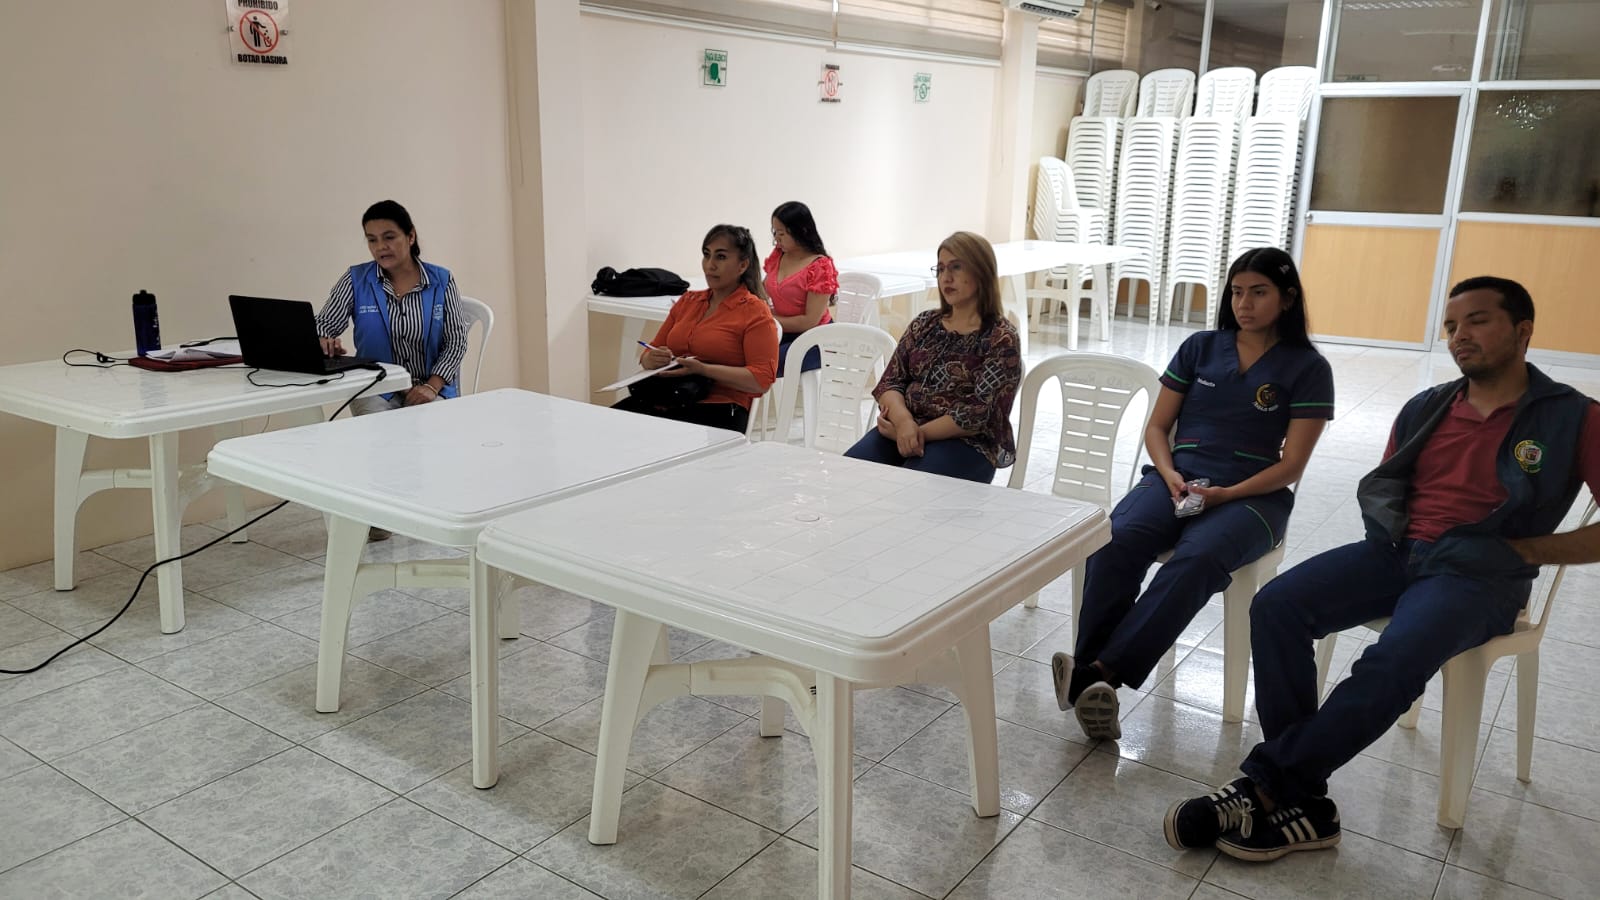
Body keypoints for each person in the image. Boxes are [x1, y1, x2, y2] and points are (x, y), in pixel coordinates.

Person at [1163, 276, 1600, 862]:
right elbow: (1392, 486)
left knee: (1393, 659)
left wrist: (1525, 553)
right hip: (1397, 553)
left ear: (1523, 331)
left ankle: (1266, 787)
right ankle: (1304, 801)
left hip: (1481, 575)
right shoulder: (1428, 406)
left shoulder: (1574, 417)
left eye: (1477, 321)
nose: (1459, 336)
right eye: (1451, 326)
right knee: (1276, 605)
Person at [1051, 247, 1334, 741]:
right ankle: (1096, 678)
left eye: (1259, 292)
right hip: (1177, 478)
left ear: (1288, 298)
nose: (1244, 303)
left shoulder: (1308, 368)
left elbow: (1291, 466)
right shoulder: (1201, 347)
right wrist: (1168, 473)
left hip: (1254, 498)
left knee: (1199, 559)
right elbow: (1157, 427)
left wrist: (1227, 494)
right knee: (1115, 539)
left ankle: (1098, 676)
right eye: (1237, 292)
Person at [843, 231, 1021, 484]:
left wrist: (914, 434)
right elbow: (891, 382)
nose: (946, 277)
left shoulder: (1000, 337)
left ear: (981, 271)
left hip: (966, 444)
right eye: (940, 269)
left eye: (956, 267)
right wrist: (904, 422)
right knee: (846, 475)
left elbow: (977, 413)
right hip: (903, 430)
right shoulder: (924, 323)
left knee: (906, 489)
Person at [612, 224, 779, 434]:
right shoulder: (688, 301)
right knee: (603, 426)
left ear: (742, 265)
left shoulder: (755, 312)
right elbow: (650, 351)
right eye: (706, 255)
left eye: (720, 257)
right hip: (669, 397)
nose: (710, 265)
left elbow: (761, 380)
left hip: (721, 408)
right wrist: (651, 358)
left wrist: (704, 370)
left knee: (645, 437)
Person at [316, 199, 468, 417]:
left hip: (431, 386)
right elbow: (324, 324)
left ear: (410, 236)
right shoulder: (356, 279)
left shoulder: (441, 280)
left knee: (432, 428)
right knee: (382, 432)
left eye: (389, 237)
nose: (380, 247)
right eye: (372, 240)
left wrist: (432, 386)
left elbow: (456, 341)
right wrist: (324, 340)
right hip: (376, 387)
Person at [764, 201, 839, 376]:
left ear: (801, 231)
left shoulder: (820, 266)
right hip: (784, 332)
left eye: (782, 234)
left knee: (765, 363)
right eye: (775, 233)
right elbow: (763, 288)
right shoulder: (780, 255)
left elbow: (809, 322)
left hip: (815, 340)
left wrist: (768, 320)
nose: (777, 239)